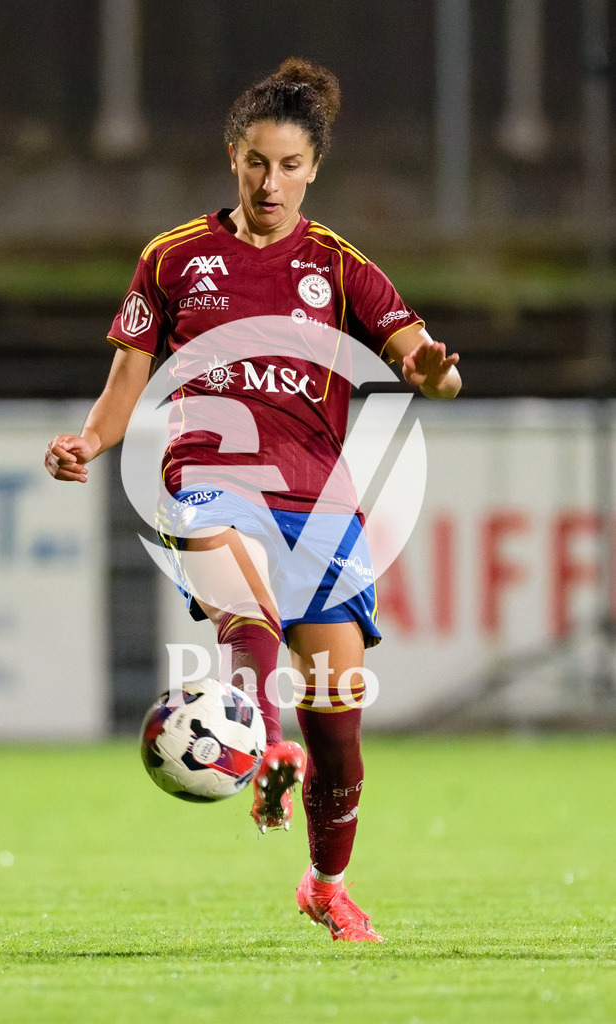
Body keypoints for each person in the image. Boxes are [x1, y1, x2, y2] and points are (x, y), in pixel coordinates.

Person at [45, 57, 461, 943]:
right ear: (232, 157)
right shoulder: (172, 259)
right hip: (208, 475)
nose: (271, 183)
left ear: (314, 171)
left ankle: (324, 885)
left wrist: (433, 373)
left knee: (338, 724)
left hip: (320, 503)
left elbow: (426, 361)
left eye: (289, 166)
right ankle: (265, 743)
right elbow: (126, 381)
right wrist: (89, 441)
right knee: (243, 600)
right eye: (257, 164)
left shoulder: (339, 266)